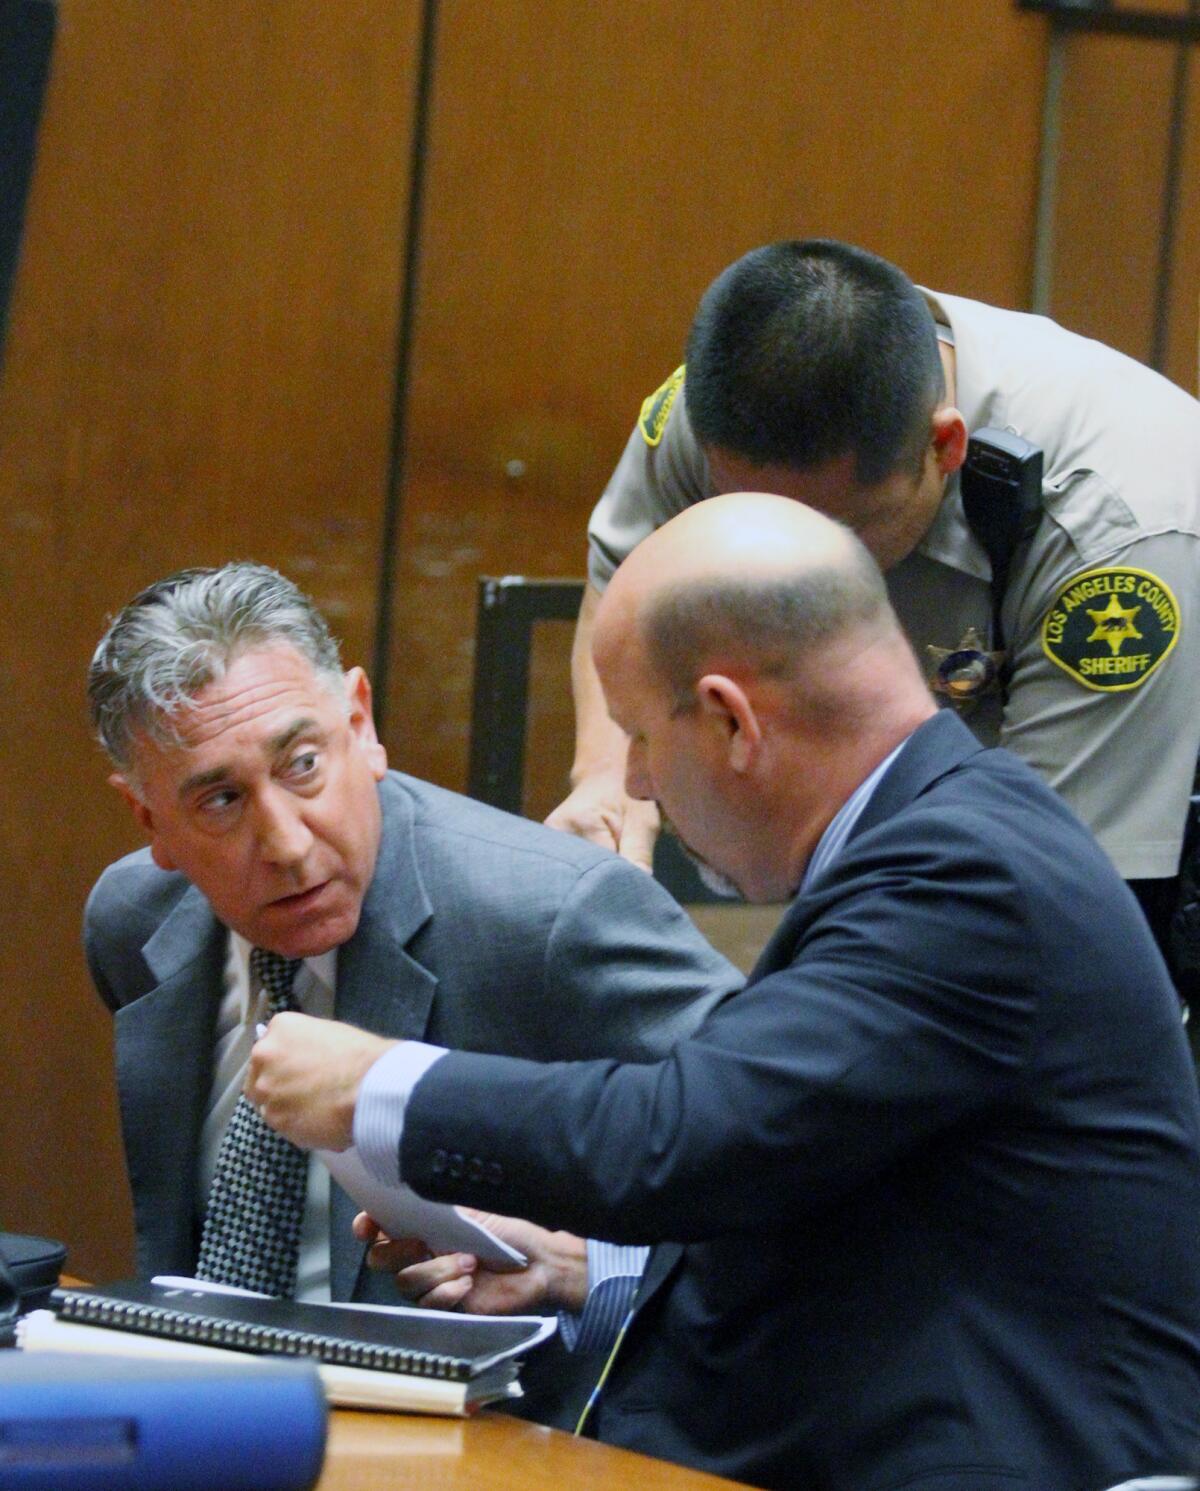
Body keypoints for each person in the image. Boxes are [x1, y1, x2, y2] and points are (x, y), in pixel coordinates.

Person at [251, 494, 1200, 1491]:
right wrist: (578, 1274)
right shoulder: (942, 842)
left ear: (730, 721)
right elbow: (841, 1191)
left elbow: (684, 1133)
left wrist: (379, 1086)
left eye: (638, 738)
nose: (640, 784)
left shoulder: (964, 875)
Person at [83, 561, 741, 1422]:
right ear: (149, 820)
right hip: (200, 1429)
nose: (285, 841)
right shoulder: (134, 922)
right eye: (220, 799)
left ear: (362, 722)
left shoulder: (550, 917)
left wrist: (588, 1269)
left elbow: (793, 1150)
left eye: (304, 763)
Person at [548, 238, 1200, 960]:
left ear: (943, 447)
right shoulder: (713, 416)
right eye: (749, 516)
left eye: (839, 529)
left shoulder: (1111, 539)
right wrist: (607, 783)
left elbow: (1051, 897)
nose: (791, 576)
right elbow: (626, 582)